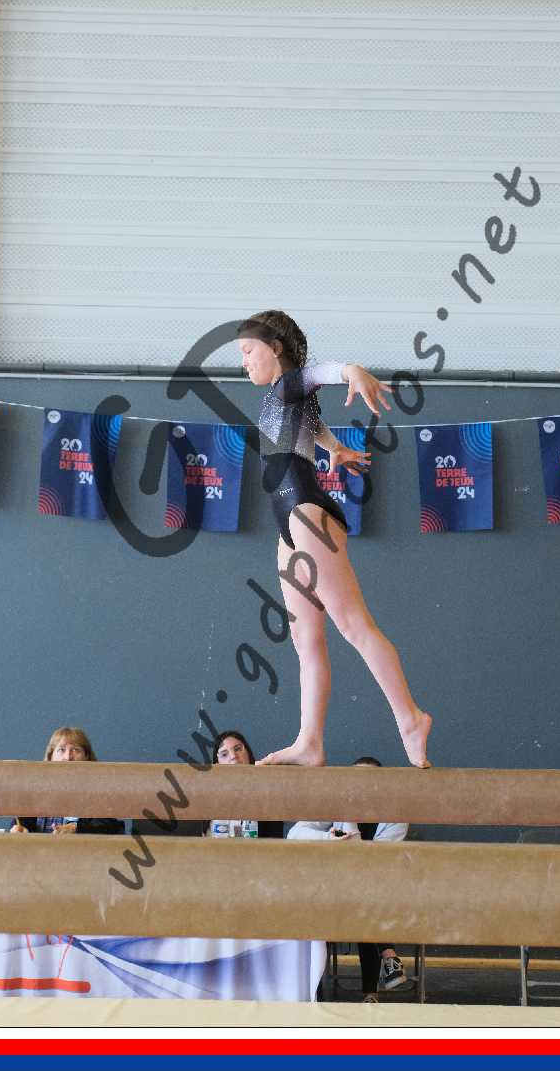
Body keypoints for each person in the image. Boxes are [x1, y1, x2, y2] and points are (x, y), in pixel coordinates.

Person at [236, 310, 432, 768]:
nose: (243, 361)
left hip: (306, 514)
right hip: (289, 524)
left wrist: (351, 371)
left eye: (248, 351)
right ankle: (310, 742)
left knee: (353, 624)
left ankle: (410, 717)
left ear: (275, 348)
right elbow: (308, 425)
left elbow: (319, 373)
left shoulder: (292, 381)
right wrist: (335, 448)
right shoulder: (282, 396)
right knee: (305, 641)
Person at [287, 756, 409, 1002]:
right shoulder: (335, 806)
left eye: (369, 780)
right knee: (360, 899)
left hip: (378, 889)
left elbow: (372, 861)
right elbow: (294, 833)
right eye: (354, 779)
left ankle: (373, 988)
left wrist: (349, 826)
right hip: (337, 890)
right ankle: (386, 959)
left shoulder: (396, 816)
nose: (361, 785)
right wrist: (328, 838)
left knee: (364, 897)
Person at [10, 726, 125, 836]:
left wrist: (76, 828)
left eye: (75, 750)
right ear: (50, 757)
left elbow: (113, 826)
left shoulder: (99, 790)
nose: (68, 757)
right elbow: (21, 823)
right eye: (61, 750)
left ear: (87, 756)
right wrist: (19, 829)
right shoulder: (35, 789)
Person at [204, 730, 285, 840]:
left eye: (237, 749)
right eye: (224, 754)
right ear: (217, 763)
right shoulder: (206, 795)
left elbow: (274, 841)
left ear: (248, 753)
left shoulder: (268, 794)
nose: (233, 756)